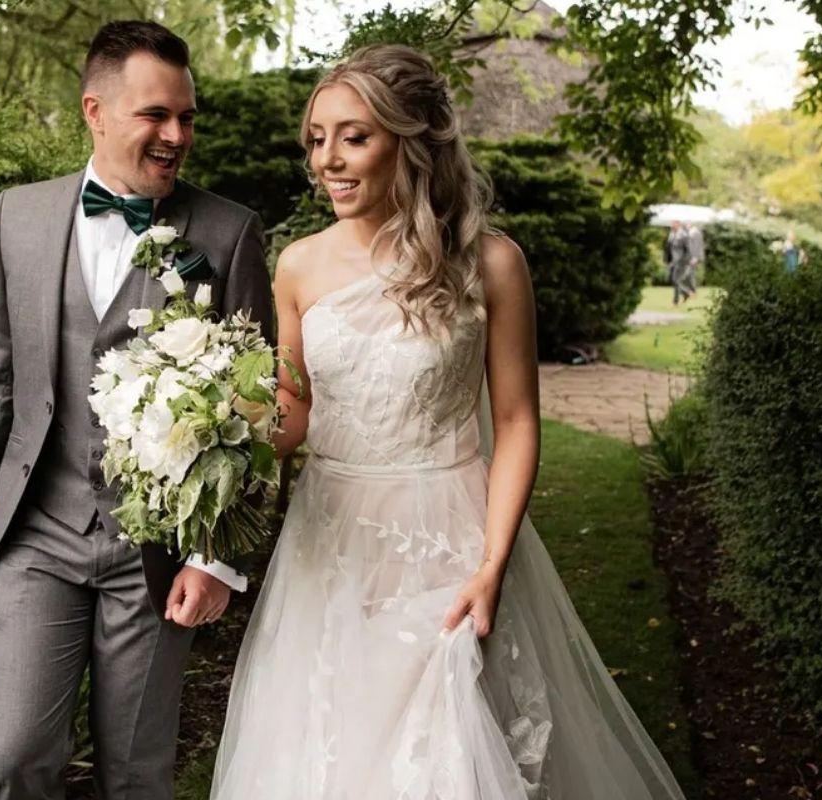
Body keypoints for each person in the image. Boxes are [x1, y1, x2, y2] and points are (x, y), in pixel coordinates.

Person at [210, 45, 687, 799]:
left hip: (448, 542)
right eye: (316, 138)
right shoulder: (298, 264)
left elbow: (517, 420)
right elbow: (292, 415)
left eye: (353, 136)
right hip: (327, 547)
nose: (327, 160)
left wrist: (491, 568)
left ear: (412, 139)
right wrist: (214, 433)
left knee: (445, 764)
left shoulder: (492, 264)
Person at [0, 20, 273, 800]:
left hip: (154, 552)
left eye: (186, 117)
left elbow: (257, 415)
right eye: (156, 115)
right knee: (16, 756)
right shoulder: (15, 218)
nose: (176, 135)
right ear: (95, 111)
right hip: (36, 537)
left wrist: (218, 557)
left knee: (138, 772)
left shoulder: (227, 234)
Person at [666, 220, 692, 306]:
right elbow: (669, 249)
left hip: (681, 262)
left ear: (678, 225)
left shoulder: (683, 235)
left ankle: (676, 301)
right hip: (674, 261)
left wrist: (685, 261)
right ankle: (686, 293)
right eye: (671, 225)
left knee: (676, 280)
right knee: (673, 280)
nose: (672, 227)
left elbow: (688, 250)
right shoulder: (672, 234)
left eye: (673, 225)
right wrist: (668, 260)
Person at [685, 221, 704, 298]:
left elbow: (697, 246)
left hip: (694, 257)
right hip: (690, 257)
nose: (686, 225)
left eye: (687, 223)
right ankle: (691, 291)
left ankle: (692, 291)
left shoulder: (695, 232)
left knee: (690, 274)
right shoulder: (691, 232)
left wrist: (695, 257)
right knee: (689, 274)